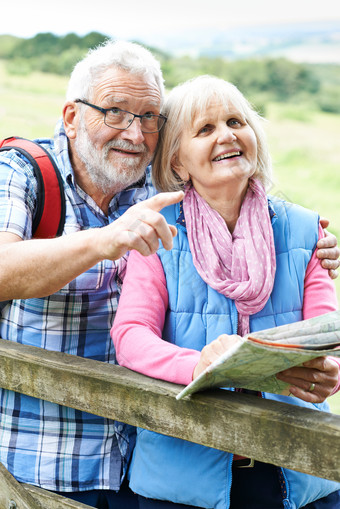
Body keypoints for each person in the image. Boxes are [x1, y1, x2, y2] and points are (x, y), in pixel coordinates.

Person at [112, 75, 340, 509]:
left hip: (297, 472)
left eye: (236, 121)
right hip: (183, 479)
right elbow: (131, 337)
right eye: (205, 129)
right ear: (178, 163)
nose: (227, 136)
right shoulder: (159, 233)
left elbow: (326, 337)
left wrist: (329, 372)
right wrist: (199, 363)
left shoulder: (305, 229)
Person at [0, 39, 184, 508]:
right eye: (116, 112)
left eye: (148, 118)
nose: (136, 135)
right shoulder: (21, 170)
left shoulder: (159, 188)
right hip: (32, 471)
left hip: (141, 474)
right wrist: (105, 241)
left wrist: (309, 247)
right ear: (71, 117)